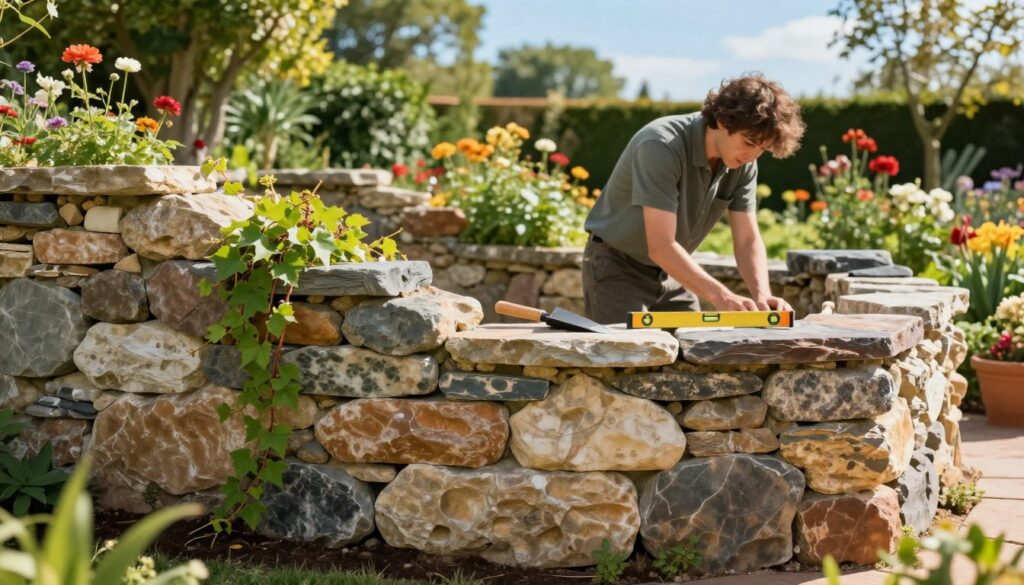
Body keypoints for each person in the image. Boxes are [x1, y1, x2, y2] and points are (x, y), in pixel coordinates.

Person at [582, 73, 805, 324]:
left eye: (762, 148)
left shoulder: (743, 163)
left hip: (673, 271)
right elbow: (661, 246)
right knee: (623, 349)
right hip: (618, 269)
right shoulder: (660, 144)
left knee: (692, 346)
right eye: (749, 142)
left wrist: (763, 297)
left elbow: (747, 240)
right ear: (722, 120)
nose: (752, 155)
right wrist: (722, 296)